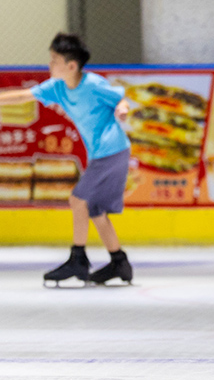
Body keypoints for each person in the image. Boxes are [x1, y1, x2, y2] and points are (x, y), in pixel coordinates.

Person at [0, 33, 133, 286]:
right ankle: (119, 262)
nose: (49, 65)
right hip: (103, 155)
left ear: (71, 66)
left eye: (54, 60)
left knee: (77, 199)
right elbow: (24, 96)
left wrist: (122, 109)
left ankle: (78, 259)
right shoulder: (57, 87)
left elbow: (121, 99)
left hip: (112, 150)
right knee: (95, 210)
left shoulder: (93, 84)